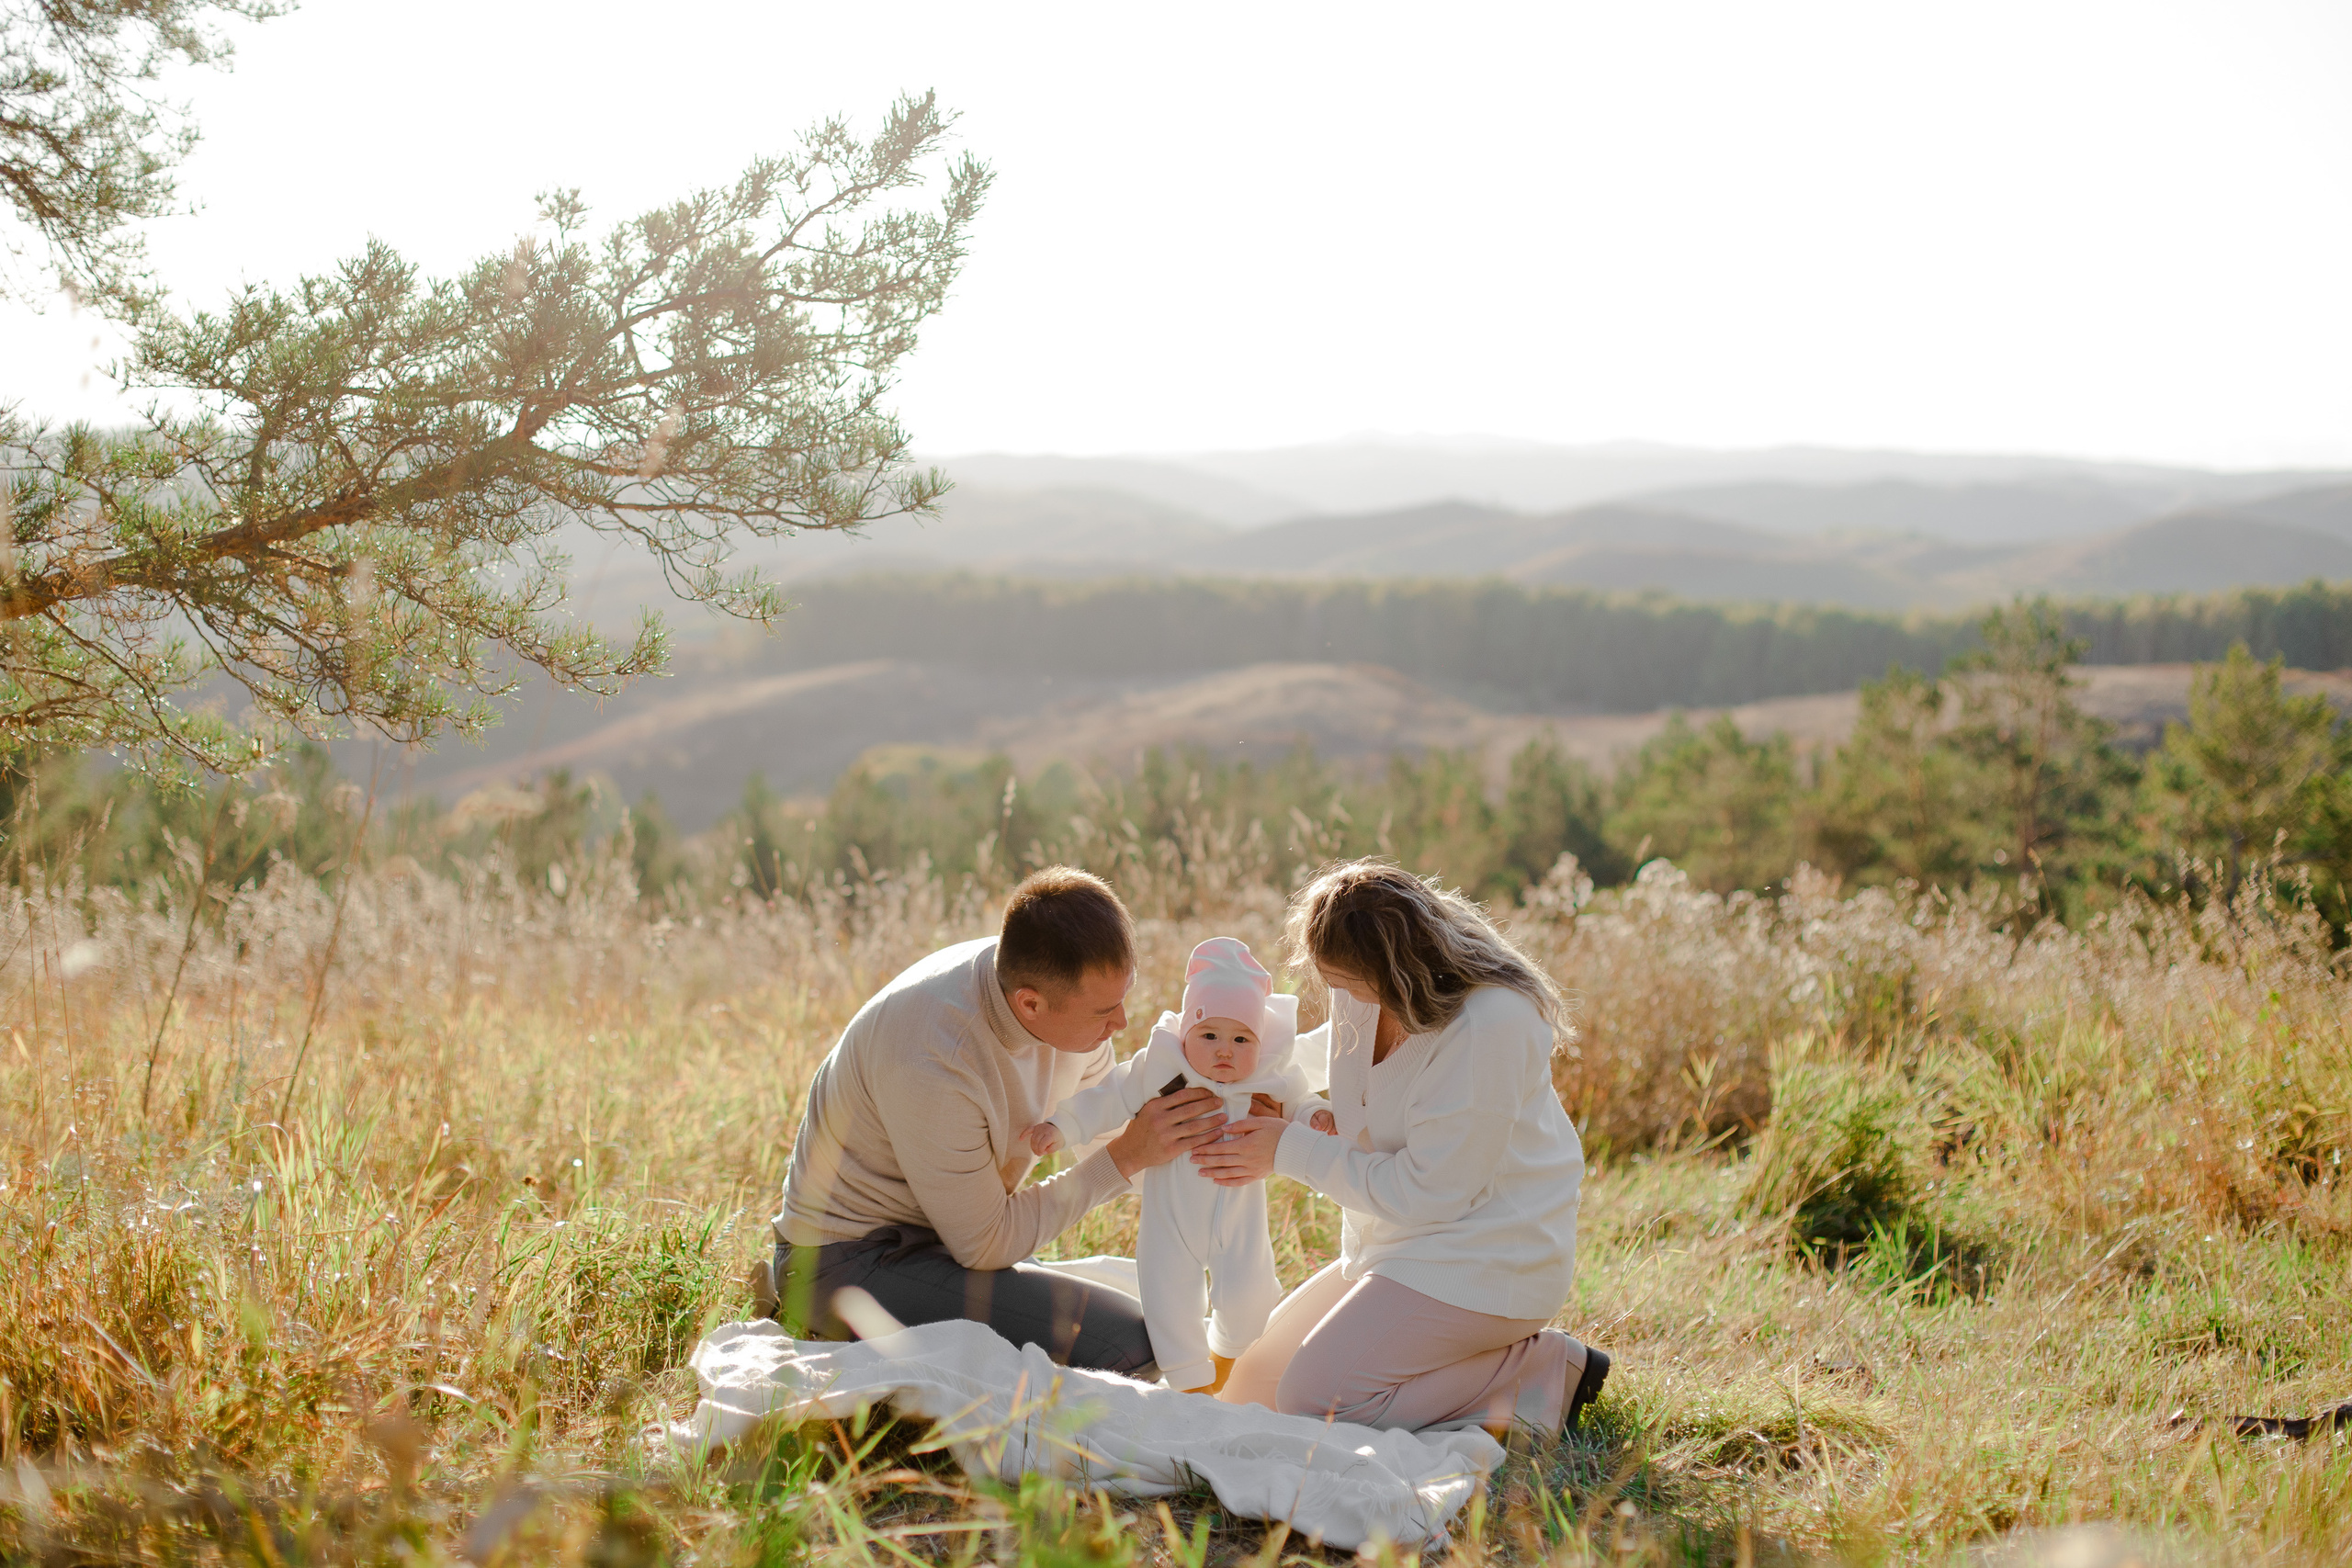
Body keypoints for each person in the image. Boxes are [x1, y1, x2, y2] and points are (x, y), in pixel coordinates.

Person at [1193, 859, 1611, 1438]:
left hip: (1487, 1259)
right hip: (1397, 1246)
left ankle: (1540, 1370)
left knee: (1315, 1406)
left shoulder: (1491, 1025)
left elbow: (1430, 1192)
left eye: (1342, 982)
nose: (1335, 993)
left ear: (1396, 967)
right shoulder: (1366, 986)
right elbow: (1337, 1055)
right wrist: (1242, 1082)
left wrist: (1287, 1150)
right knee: (1252, 1390)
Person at [764, 866, 1228, 1377]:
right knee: (1137, 1346)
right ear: (1029, 1003)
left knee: (1179, 1313)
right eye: (1104, 1012)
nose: (1120, 1024)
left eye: (1123, 1000)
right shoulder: (936, 1057)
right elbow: (987, 1243)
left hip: (945, 1242)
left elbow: (1124, 1148)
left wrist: (1219, 1120)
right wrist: (1125, 1157)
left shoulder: (1055, 987)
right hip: (845, 1266)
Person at [1023, 937, 1320, 1393]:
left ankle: (1224, 1358)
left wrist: (1316, 1117)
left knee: (1251, 1295)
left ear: (1259, 1042)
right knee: (1169, 1297)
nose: (1225, 1051)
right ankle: (1189, 1386)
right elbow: (1110, 1095)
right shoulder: (1164, 1070)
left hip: (1240, 1216)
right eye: (1209, 1036)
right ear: (1186, 1033)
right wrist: (1063, 1126)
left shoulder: (1267, 1075)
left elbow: (1297, 1102)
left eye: (1242, 1039)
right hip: (1171, 1216)